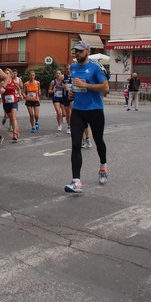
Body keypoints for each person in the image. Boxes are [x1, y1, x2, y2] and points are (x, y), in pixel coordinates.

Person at [65, 41, 109, 193]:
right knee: (76, 144)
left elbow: (105, 88)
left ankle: (103, 165)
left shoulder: (95, 67)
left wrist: (87, 86)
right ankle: (76, 182)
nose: (77, 54)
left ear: (88, 51)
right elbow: (75, 86)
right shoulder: (73, 67)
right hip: (78, 110)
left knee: (98, 141)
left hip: (95, 110)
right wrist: (72, 92)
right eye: (75, 51)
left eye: (80, 51)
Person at [0, 68, 21, 141]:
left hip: (14, 101)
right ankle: (16, 130)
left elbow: (19, 89)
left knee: (14, 117)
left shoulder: (15, 82)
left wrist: (19, 94)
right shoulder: (2, 83)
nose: (6, 75)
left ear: (11, 75)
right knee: (11, 118)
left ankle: (14, 133)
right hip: (6, 103)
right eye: (5, 73)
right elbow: (2, 94)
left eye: (7, 73)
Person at [62, 63, 73, 134]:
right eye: (67, 69)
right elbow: (57, 85)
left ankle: (73, 126)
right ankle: (69, 126)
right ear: (65, 70)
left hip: (72, 96)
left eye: (69, 69)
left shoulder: (74, 76)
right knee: (67, 113)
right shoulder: (63, 77)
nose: (68, 70)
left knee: (73, 112)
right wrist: (63, 86)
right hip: (65, 96)